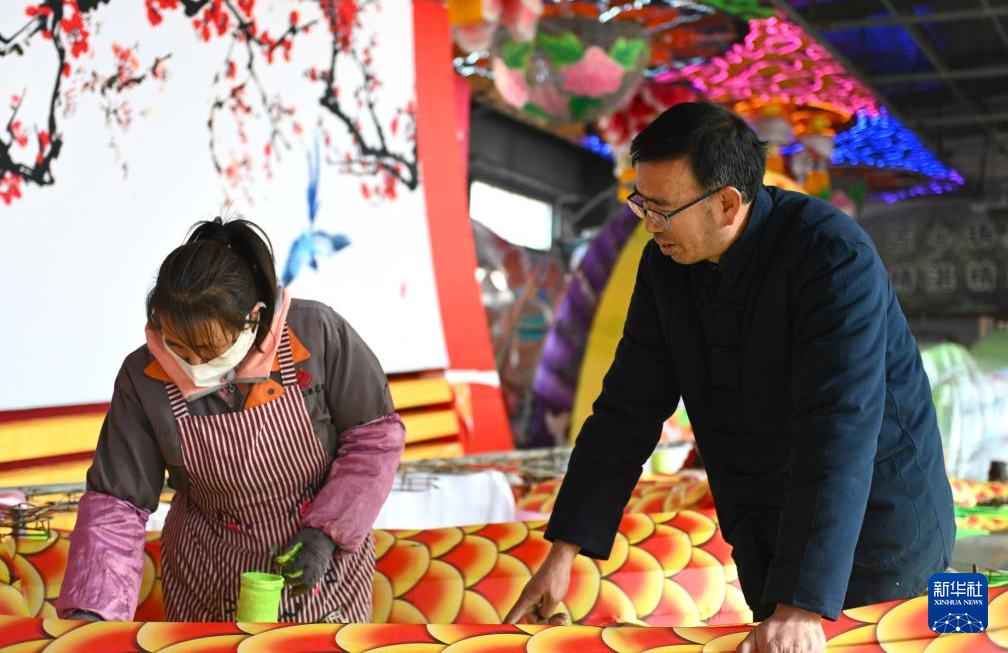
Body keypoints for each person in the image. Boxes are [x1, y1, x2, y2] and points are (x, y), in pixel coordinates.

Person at [505, 102, 955, 653]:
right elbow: (625, 411)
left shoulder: (832, 257)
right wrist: (562, 554)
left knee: (914, 641)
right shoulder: (665, 267)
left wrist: (800, 605)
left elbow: (836, 432)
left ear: (726, 203)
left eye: (662, 210)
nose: (649, 224)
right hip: (766, 523)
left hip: (879, 529)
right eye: (641, 204)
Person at [56, 218, 405, 623]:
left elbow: (374, 437)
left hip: (321, 573)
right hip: (208, 575)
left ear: (253, 318)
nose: (192, 363)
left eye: (208, 349)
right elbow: (117, 502)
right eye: (178, 346)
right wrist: (93, 613)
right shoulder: (143, 376)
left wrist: (326, 534)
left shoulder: (316, 333)